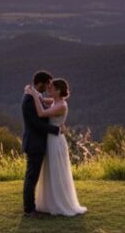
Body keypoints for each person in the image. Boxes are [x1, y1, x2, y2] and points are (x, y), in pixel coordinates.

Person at [23, 77, 87, 217]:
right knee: (50, 171)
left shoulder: (62, 105)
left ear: (58, 90)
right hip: (50, 140)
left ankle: (60, 203)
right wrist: (32, 91)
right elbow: (41, 99)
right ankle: (50, 202)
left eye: (51, 87)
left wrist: (33, 94)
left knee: (57, 170)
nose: (48, 89)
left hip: (56, 141)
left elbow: (41, 113)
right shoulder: (55, 101)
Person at [21, 70, 61, 218]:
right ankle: (29, 210)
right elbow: (37, 124)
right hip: (34, 143)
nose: (48, 87)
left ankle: (32, 207)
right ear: (40, 83)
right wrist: (56, 129)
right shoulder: (30, 99)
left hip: (37, 142)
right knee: (31, 177)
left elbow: (54, 102)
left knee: (33, 176)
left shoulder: (36, 96)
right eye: (47, 84)